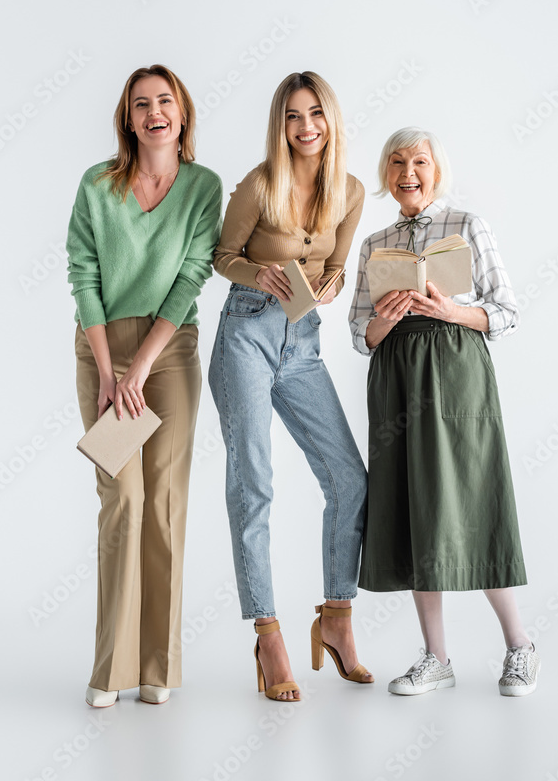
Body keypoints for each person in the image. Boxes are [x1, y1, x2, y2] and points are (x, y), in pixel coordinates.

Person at [349, 127, 540, 697]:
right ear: (386, 174)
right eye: (397, 162)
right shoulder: (374, 243)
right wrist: (387, 315)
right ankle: (436, 658)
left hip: (457, 375)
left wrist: (450, 310)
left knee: (475, 498)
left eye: (420, 162)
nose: (408, 172)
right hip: (397, 378)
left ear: (437, 170)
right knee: (413, 504)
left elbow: (506, 312)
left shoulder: (467, 225)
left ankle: (520, 646)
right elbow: (361, 335)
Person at [208, 71, 372, 702]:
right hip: (247, 334)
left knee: (348, 479)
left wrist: (328, 285)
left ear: (331, 120)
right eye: (293, 118)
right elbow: (223, 258)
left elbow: (335, 264)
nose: (306, 128)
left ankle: (336, 617)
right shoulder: (258, 184)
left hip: (302, 346)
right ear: (280, 125)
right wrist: (262, 271)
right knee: (254, 482)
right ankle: (268, 632)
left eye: (316, 115)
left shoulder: (350, 191)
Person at [67, 64, 222, 707]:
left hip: (171, 351)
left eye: (165, 101)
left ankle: (157, 669)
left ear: (182, 114)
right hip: (102, 347)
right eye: (140, 104)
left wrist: (141, 368)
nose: (154, 112)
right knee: (121, 500)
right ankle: (111, 672)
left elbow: (191, 278)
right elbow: (82, 272)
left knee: (162, 503)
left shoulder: (204, 187)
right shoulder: (97, 185)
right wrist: (110, 373)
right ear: (127, 119)